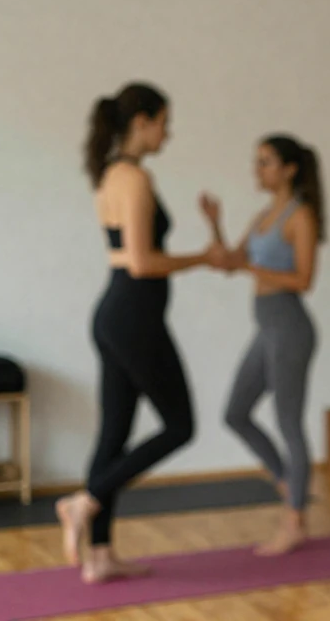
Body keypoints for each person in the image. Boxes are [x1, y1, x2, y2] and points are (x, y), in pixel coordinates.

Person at [57, 82, 221, 583]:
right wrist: (204, 257)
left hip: (118, 315)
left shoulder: (111, 174)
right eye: (164, 123)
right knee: (180, 425)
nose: (167, 134)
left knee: (114, 434)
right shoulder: (133, 179)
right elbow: (144, 263)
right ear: (142, 122)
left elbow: (128, 258)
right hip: (133, 318)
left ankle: (100, 556)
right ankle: (83, 502)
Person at [199, 134, 323, 556]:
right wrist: (215, 224)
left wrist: (251, 265)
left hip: (290, 326)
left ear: (289, 168)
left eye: (266, 162)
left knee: (288, 422)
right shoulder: (261, 218)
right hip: (266, 328)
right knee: (235, 413)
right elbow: (232, 264)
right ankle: (290, 484)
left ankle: (295, 521)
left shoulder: (299, 216)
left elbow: (304, 281)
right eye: (257, 162)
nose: (258, 170)